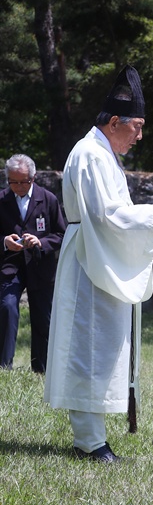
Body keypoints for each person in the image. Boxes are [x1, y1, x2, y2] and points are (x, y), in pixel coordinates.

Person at [44, 65, 153, 463]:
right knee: (89, 347)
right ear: (113, 122)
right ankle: (89, 442)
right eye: (136, 127)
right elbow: (108, 215)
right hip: (91, 255)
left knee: (100, 346)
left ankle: (91, 436)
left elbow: (113, 213)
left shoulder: (101, 154)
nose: (139, 136)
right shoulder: (91, 155)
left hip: (97, 251)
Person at [0, 154, 67, 373]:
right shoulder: (2, 200)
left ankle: (41, 369)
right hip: (10, 266)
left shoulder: (48, 199)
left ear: (33, 177)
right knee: (7, 307)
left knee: (42, 316)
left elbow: (61, 233)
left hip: (40, 266)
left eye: (23, 181)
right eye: (13, 181)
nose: (18, 186)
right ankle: (4, 365)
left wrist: (41, 241)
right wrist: (4, 242)